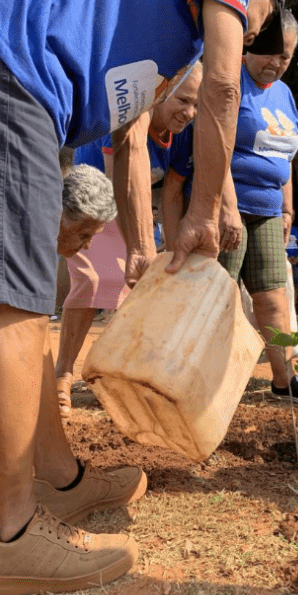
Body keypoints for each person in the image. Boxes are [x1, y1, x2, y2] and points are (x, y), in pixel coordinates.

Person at [0, 0, 280, 595]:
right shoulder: (223, 15)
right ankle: (9, 532)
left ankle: (58, 479)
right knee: (13, 301)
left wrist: (139, 244)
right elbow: (224, 86)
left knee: (19, 301)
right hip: (1, 68)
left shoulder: (146, 36)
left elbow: (131, 143)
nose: (247, 29)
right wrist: (204, 212)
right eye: (256, 22)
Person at [55, 64, 202, 417]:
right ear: (162, 92)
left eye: (196, 104)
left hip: (134, 210)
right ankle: (62, 372)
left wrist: (170, 246)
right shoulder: (126, 115)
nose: (189, 112)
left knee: (143, 290)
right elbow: (108, 183)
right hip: (93, 205)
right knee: (91, 281)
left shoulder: (183, 134)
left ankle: (127, 378)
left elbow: (171, 193)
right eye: (183, 100)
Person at [214, 10, 298, 405]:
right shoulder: (230, 79)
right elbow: (216, 146)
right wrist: (226, 206)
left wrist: (288, 211)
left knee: (274, 298)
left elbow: (286, 157)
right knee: (219, 299)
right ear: (249, 46)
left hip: (267, 212)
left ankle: (284, 380)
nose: (276, 63)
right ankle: (208, 382)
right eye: (270, 53)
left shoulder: (285, 95)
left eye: (287, 57)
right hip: (229, 207)